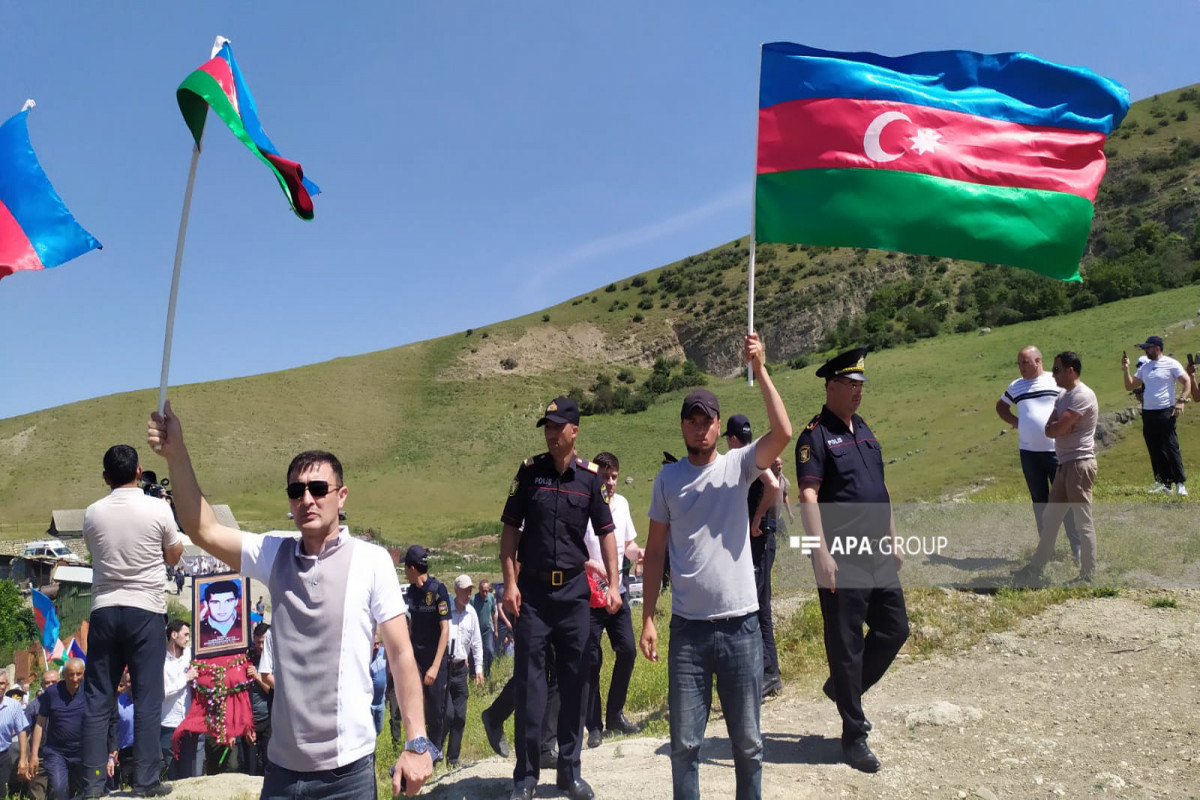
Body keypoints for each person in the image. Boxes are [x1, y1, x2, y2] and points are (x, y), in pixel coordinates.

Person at [146, 403, 435, 798]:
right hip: (281, 770)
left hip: (346, 773)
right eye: (296, 491)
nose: (307, 499)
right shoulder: (274, 553)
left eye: (318, 489)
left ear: (342, 496)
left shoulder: (372, 561)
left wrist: (417, 741)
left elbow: (401, 654)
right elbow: (202, 528)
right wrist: (176, 454)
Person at [640, 333, 792, 800]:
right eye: (692, 419)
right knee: (685, 745)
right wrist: (647, 617)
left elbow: (784, 432)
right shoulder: (668, 479)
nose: (700, 427)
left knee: (747, 742)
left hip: (742, 626)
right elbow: (655, 551)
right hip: (688, 632)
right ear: (682, 426)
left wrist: (761, 368)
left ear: (718, 424)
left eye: (707, 420)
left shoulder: (739, 465)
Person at [794, 348, 911, 774]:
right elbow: (807, 496)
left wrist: (894, 540)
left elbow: (880, 488)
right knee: (845, 645)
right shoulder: (815, 436)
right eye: (851, 385)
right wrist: (819, 552)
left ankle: (845, 690)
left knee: (895, 628)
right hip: (841, 556)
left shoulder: (863, 429)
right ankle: (853, 734)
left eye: (861, 385)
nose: (858, 392)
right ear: (831, 386)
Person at [500, 396, 621, 800]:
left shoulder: (590, 480)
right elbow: (510, 531)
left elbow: (606, 534)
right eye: (546, 428)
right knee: (530, 686)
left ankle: (569, 772)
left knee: (575, 681)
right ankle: (526, 776)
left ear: (574, 431)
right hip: (532, 593)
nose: (551, 434)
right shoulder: (529, 473)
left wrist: (615, 586)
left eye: (557, 427)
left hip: (573, 594)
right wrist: (510, 584)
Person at [79, 444, 183, 798]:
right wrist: (166, 510)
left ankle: (92, 785)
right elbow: (172, 555)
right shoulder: (157, 508)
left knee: (98, 700)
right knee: (147, 697)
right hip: (146, 609)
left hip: (105, 608)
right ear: (140, 471)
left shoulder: (92, 512)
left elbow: (96, 551)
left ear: (105, 477)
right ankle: (146, 783)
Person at [1015, 351, 1101, 583]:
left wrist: (1057, 427)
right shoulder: (1063, 395)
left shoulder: (1082, 395)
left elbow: (1057, 429)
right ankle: (1037, 566)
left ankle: (1088, 574)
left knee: (1082, 520)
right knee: (1051, 518)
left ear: (1070, 370)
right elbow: (1049, 428)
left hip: (1079, 465)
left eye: (1057, 370)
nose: (1053, 374)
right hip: (1065, 465)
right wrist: (1057, 427)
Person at [582, 451, 644, 748]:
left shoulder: (622, 505)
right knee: (591, 659)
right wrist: (589, 564)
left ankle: (615, 714)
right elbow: (573, 548)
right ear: (595, 476)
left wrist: (639, 553)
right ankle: (593, 725)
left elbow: (627, 544)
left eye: (614, 477)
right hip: (589, 593)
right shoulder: (583, 505)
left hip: (616, 590)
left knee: (628, 650)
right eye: (605, 476)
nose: (610, 482)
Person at [996, 346, 1081, 562]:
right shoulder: (1016, 386)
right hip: (1029, 453)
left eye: (1025, 362)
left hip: (1056, 451)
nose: (1021, 367)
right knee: (1039, 501)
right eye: (1019, 363)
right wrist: (1019, 423)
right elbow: (1001, 407)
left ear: (1038, 361)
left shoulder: (1054, 381)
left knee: (1066, 499)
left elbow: (1073, 401)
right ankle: (1047, 549)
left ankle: (1077, 547)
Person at [723, 415, 783, 698]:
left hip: (761, 538)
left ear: (733, 439)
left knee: (759, 607)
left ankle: (768, 674)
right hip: (762, 539)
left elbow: (772, 486)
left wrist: (756, 518)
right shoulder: (756, 452)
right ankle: (769, 674)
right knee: (760, 606)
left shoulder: (749, 456)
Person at [1123, 335, 1191, 496]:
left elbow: (1186, 381)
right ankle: (1164, 483)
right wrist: (1126, 368)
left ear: (1157, 348)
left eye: (1148, 347)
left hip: (1165, 410)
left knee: (1170, 446)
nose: (1146, 350)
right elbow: (1130, 385)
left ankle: (1180, 483)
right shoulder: (1145, 367)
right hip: (1148, 412)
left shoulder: (1171, 363)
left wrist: (1181, 401)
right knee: (1154, 448)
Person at [403, 545, 451, 760]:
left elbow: (445, 629)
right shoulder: (411, 592)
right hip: (416, 656)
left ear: (412, 568)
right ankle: (418, 749)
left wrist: (435, 666)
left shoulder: (437, 590)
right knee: (414, 704)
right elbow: (411, 624)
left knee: (436, 706)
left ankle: (436, 750)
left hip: (435, 657)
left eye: (405, 567)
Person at [30, 658, 88, 800]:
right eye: (71, 674)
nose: (75, 679)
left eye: (79, 674)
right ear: (63, 675)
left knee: (84, 791)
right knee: (59, 789)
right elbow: (39, 724)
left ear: (84, 674)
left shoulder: (89, 690)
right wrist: (34, 754)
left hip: (82, 751)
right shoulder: (52, 693)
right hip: (57, 752)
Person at [443, 574, 484, 767]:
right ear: (456, 591)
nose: (469, 594)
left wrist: (479, 669)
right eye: (465, 590)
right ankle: (434, 752)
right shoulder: (445, 613)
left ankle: (453, 758)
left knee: (460, 715)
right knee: (447, 714)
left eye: (470, 591)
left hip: (461, 670)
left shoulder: (472, 614)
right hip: (444, 669)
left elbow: (477, 643)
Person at [160, 620, 199, 781]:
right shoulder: (160, 661)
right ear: (173, 635)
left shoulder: (190, 655)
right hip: (168, 725)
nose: (188, 639)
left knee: (187, 773)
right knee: (171, 773)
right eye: (185, 635)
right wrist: (185, 678)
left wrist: (194, 680)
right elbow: (161, 692)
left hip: (187, 724)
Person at [243, 622, 273, 776]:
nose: (260, 646)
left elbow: (272, 690)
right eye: (257, 642)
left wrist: (257, 676)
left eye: (263, 642)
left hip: (268, 720)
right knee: (250, 768)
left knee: (269, 763)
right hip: (250, 722)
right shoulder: (247, 659)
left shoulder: (274, 660)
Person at [22, 669, 57, 800]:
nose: (51, 685)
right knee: (37, 795)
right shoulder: (34, 705)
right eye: (47, 682)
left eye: (54, 681)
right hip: (39, 757)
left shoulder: (67, 703)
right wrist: (25, 758)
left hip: (59, 756)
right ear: (42, 685)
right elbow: (25, 733)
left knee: (59, 792)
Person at [0, 673, 29, 799]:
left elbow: (21, 731)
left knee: (3, 793)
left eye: (1, 683)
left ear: (6, 685)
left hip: (3, 756)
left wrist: (23, 758)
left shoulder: (13, 705)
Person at [470, 580, 499, 679]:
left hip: (487, 630)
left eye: (487, 591)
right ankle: (474, 675)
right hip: (476, 631)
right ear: (479, 590)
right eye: (483, 591)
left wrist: (496, 630)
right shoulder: (473, 600)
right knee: (475, 654)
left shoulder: (491, 597)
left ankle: (487, 672)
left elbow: (494, 614)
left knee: (490, 651)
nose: (485, 593)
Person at [369, 632, 388, 736]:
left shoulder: (383, 653)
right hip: (369, 704)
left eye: (378, 643)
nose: (376, 647)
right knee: (369, 732)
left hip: (380, 702)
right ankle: (371, 751)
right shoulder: (365, 659)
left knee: (379, 729)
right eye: (374, 644)